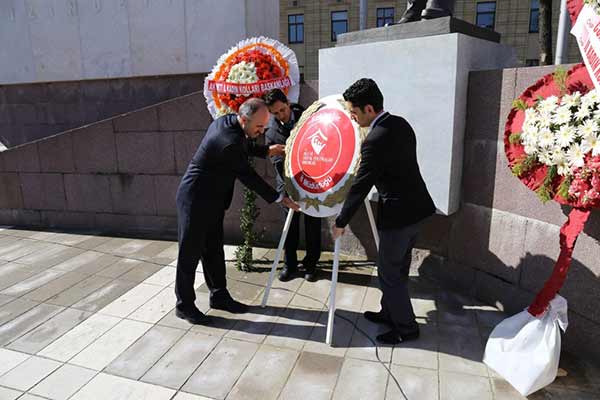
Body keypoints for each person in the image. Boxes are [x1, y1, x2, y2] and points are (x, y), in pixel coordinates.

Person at [175, 98, 299, 325]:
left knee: (213, 249)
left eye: (264, 127)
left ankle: (219, 296)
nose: (262, 132)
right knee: (189, 253)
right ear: (244, 119)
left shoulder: (229, 122)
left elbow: (244, 143)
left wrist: (265, 150)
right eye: (259, 128)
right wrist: (280, 198)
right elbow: (249, 176)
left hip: (212, 200)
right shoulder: (228, 141)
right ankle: (184, 305)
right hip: (195, 199)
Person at [332, 78, 436, 344]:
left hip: (399, 217)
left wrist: (341, 220)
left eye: (354, 113)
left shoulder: (375, 140)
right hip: (418, 210)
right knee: (397, 269)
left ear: (368, 108)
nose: (353, 119)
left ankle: (406, 327)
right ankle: (389, 312)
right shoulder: (400, 124)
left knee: (389, 273)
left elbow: (360, 186)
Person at [263, 89, 322, 282]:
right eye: (276, 113)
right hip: (288, 184)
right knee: (290, 228)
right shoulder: (271, 131)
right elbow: (276, 163)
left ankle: (312, 264)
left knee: (313, 224)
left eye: (283, 109)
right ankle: (290, 264)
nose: (281, 115)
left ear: (288, 103)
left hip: (312, 182)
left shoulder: (308, 119)